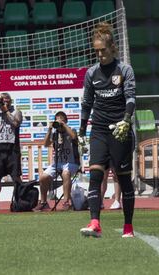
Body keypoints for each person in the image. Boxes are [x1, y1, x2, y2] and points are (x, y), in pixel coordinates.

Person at [79, 22, 136, 238]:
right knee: (95, 174)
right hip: (100, 129)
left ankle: (128, 227)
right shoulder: (91, 73)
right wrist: (83, 132)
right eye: (97, 51)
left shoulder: (125, 70)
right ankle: (95, 223)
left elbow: (131, 98)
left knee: (123, 179)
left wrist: (126, 120)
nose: (100, 54)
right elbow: (86, 103)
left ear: (112, 48)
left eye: (103, 50)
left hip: (119, 128)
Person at [35, 111, 80, 211]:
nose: (59, 122)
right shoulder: (55, 133)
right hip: (58, 163)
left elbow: (73, 137)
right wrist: (49, 130)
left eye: (62, 120)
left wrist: (64, 125)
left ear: (66, 121)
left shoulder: (71, 130)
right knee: (43, 177)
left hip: (71, 162)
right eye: (57, 120)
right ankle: (43, 202)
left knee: (66, 173)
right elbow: (46, 144)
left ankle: (66, 202)